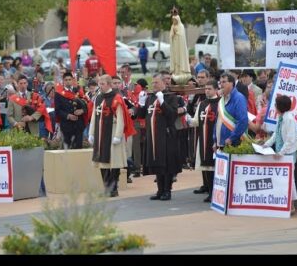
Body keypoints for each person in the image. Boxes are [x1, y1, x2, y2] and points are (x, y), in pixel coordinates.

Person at [88, 75, 135, 197]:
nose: (100, 86)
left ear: (109, 84)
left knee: (114, 162)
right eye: (99, 83)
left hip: (113, 132)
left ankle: (113, 188)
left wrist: (118, 135)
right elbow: (94, 116)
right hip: (100, 133)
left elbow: (121, 118)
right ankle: (106, 187)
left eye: (102, 84)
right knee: (102, 162)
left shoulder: (117, 98)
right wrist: (91, 133)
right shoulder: (98, 98)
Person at [137, 73, 179, 201]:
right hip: (153, 134)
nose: (153, 85)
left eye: (156, 82)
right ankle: (160, 190)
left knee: (166, 163)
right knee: (157, 163)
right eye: (153, 82)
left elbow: (172, 115)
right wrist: (141, 103)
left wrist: (162, 102)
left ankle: (167, 190)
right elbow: (142, 115)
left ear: (163, 83)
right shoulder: (150, 97)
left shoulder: (170, 97)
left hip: (166, 134)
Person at [262, 95, 297, 213]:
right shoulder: (281, 118)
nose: (274, 107)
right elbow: (276, 134)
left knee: (290, 179)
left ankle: (292, 205)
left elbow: (290, 139)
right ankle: (288, 203)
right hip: (281, 151)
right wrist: (266, 144)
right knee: (285, 179)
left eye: (276, 105)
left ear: (280, 106)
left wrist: (281, 152)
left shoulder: (289, 119)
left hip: (288, 153)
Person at [187, 79, 220, 203]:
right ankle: (210, 192)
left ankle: (216, 193)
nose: (207, 91)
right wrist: (188, 118)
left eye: (209, 89)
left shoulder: (220, 103)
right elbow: (196, 121)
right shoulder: (202, 104)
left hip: (215, 140)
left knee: (215, 168)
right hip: (203, 139)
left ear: (216, 90)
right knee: (206, 168)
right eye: (205, 89)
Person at [54, 72, 88, 149]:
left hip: (78, 124)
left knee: (78, 148)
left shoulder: (78, 91)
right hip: (66, 125)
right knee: (67, 148)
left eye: (69, 79)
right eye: (66, 80)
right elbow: (58, 110)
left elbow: (86, 104)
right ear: (63, 81)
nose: (68, 81)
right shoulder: (58, 94)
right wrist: (68, 116)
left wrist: (82, 110)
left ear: (73, 80)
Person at [215, 73, 248, 149]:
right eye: (220, 82)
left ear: (231, 83)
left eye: (224, 82)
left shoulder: (239, 98)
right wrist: (215, 140)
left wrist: (232, 138)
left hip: (233, 143)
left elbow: (243, 120)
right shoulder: (221, 100)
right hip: (220, 143)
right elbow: (218, 121)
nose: (221, 85)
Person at [169, 7, 191, 77]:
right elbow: (170, 35)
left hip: (180, 46)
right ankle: (176, 71)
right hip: (175, 45)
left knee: (180, 57)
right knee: (176, 58)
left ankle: (182, 70)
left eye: (175, 20)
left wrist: (177, 33)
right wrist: (173, 34)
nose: (174, 21)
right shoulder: (172, 26)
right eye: (173, 20)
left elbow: (181, 35)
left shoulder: (181, 26)